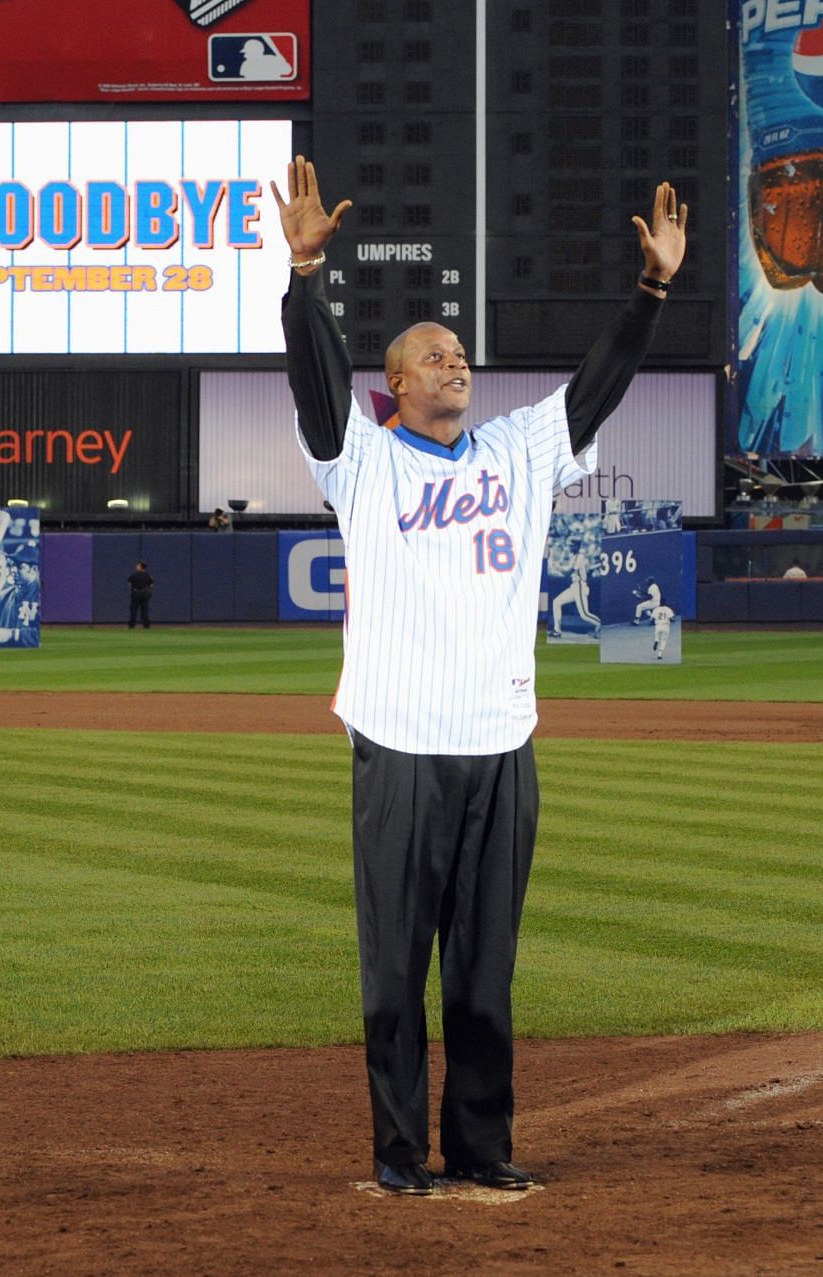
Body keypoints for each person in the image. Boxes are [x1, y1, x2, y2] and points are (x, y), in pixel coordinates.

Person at [273, 154, 684, 1194]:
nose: (455, 364)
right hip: (400, 738)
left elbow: (596, 387)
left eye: (459, 353)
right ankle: (401, 1149)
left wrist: (651, 291)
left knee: (485, 973)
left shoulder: (517, 450)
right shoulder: (360, 457)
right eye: (433, 356)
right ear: (397, 383)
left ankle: (484, 1144)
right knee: (395, 970)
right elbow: (319, 392)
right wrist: (304, 279)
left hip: (502, 740)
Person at [126, 561, 154, 629]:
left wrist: (132, 590)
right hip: (145, 593)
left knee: (134, 609)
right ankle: (146, 626)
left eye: (138, 566)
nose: (136, 567)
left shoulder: (134, 575)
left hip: (136, 593)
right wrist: (149, 592)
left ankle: (131, 625)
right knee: (145, 609)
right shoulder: (148, 575)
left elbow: (129, 583)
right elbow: (151, 585)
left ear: (141, 567)